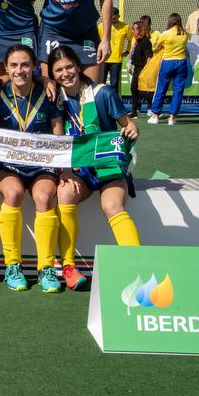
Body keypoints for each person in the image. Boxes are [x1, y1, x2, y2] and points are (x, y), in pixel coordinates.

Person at [49, 46, 141, 291]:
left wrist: (133, 129)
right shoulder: (54, 100)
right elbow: (58, 141)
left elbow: (128, 124)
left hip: (107, 163)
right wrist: (65, 170)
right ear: (52, 74)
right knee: (65, 193)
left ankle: (137, 264)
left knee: (112, 206)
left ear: (78, 67)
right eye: (59, 70)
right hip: (81, 170)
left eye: (69, 67)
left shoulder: (103, 93)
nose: (66, 73)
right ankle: (68, 266)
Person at [0, 44, 64, 293]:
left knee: (43, 197)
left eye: (25, 65)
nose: (20, 70)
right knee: (13, 194)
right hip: (9, 164)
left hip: (42, 164)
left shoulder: (47, 92)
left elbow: (57, 130)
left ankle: (46, 268)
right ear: (6, 68)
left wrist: (62, 165)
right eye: (14, 65)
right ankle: (13, 266)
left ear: (34, 67)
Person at [149, 13, 189, 125]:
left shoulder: (166, 34)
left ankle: (155, 115)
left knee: (161, 88)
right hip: (181, 62)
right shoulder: (185, 34)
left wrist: (159, 45)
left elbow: (155, 49)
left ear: (170, 21)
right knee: (178, 90)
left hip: (167, 62)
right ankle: (172, 117)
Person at [98, 7, 132, 93]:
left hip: (117, 60)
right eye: (110, 18)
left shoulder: (125, 27)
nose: (112, 20)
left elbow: (131, 40)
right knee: (101, 83)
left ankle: (114, 102)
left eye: (114, 18)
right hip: (103, 59)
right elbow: (96, 40)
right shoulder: (101, 26)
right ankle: (102, 101)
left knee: (115, 83)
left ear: (118, 16)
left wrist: (127, 51)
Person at [128, 19, 153, 117]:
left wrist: (146, 71)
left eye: (136, 29)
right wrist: (130, 65)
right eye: (133, 29)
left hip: (143, 69)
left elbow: (149, 56)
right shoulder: (138, 41)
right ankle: (134, 111)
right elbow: (133, 55)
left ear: (141, 29)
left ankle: (152, 107)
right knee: (134, 89)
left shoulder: (146, 41)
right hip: (137, 68)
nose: (133, 31)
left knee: (144, 92)